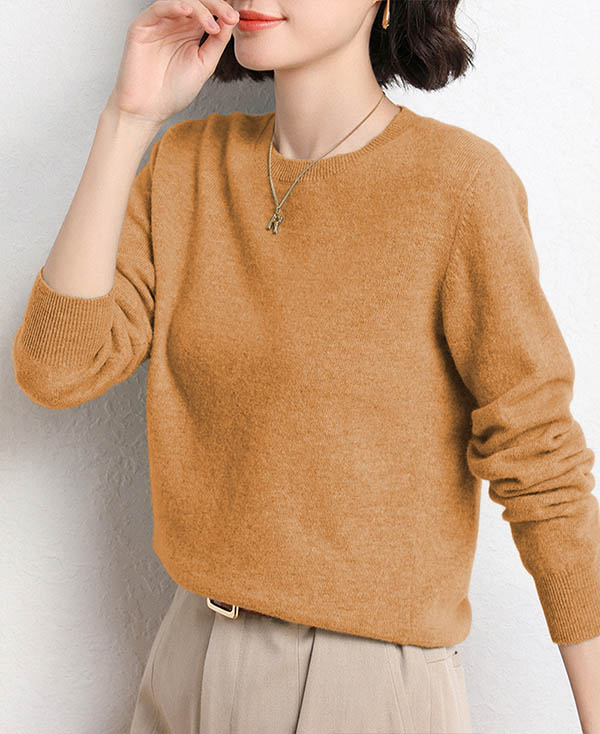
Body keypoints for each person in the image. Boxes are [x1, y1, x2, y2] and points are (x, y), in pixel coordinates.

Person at [12, 0, 600, 732]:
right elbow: (57, 369)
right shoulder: (185, 164)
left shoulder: (457, 186)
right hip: (185, 660)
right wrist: (127, 120)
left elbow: (540, 460)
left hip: (361, 687)